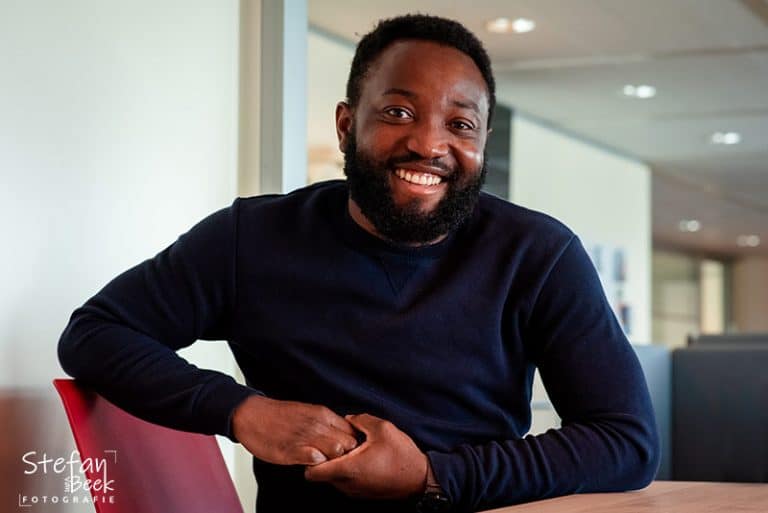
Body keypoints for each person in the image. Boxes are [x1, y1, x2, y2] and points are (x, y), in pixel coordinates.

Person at [58, 13, 659, 513]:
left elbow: (626, 442)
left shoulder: (538, 254)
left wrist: (432, 475)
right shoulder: (252, 239)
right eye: (398, 112)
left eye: (460, 124)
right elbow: (95, 334)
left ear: (482, 143)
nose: (429, 144)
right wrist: (241, 411)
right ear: (347, 125)